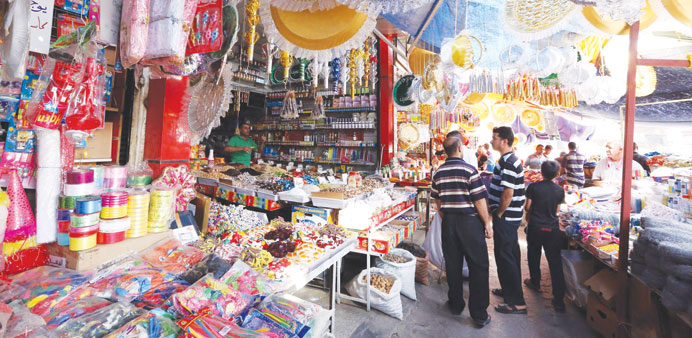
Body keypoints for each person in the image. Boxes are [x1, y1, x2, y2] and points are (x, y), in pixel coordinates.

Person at [431, 136, 493, 327]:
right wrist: (487, 224)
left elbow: (437, 201)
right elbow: (479, 201)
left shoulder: (438, 172)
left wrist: (446, 217)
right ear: (459, 148)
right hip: (470, 223)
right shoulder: (469, 170)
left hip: (449, 222)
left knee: (453, 264)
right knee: (479, 266)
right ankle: (479, 314)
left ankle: (456, 304)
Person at [488, 126, 527, 314]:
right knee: (509, 255)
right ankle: (509, 290)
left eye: (494, 138)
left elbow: (508, 193)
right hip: (510, 217)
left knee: (506, 257)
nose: (491, 141)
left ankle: (517, 302)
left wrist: (499, 214)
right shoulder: (505, 160)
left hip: (507, 217)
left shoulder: (509, 162)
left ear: (504, 141)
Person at [524, 160, 567, 312]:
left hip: (535, 226)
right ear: (557, 174)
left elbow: (527, 207)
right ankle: (559, 300)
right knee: (555, 263)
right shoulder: (559, 190)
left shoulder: (533, 187)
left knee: (533, 254)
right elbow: (557, 211)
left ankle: (535, 282)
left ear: (541, 172)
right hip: (552, 229)